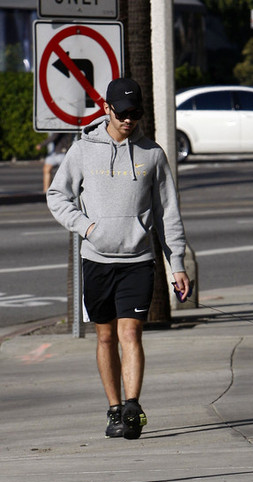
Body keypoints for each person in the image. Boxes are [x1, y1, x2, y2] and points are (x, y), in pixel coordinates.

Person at [47, 78, 190, 440]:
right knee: (106, 337)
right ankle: (113, 409)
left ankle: (131, 405)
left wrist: (178, 266)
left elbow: (167, 214)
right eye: (123, 113)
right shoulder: (83, 150)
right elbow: (57, 195)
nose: (129, 120)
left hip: (138, 260)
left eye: (136, 113)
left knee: (131, 333)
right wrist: (86, 227)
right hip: (97, 258)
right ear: (107, 109)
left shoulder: (152, 155)